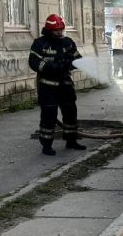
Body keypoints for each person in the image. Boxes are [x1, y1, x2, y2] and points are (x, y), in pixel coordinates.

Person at [29, 13, 84, 156]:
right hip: (47, 86)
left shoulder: (68, 42)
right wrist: (51, 67)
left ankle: (71, 140)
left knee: (70, 113)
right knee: (49, 116)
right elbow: (33, 62)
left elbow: (77, 58)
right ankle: (46, 145)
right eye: (56, 30)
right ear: (49, 30)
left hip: (65, 84)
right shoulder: (40, 43)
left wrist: (70, 64)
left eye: (61, 29)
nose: (59, 32)